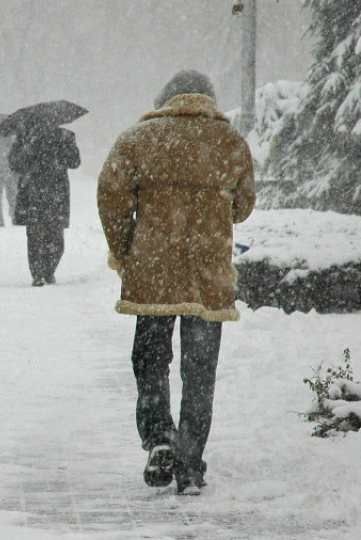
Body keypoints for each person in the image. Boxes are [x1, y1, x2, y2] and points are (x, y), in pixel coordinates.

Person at [96, 70, 256, 495]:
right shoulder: (229, 142)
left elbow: (111, 196)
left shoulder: (138, 139)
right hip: (208, 275)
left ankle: (158, 436)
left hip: (153, 274)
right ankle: (189, 463)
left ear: (166, 98)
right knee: (200, 371)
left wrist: (126, 247)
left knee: (150, 362)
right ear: (209, 98)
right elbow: (242, 207)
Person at [8, 123, 80, 286]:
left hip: (57, 194)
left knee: (56, 238)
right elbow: (14, 164)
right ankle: (38, 274)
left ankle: (48, 270)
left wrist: (67, 149)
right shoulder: (25, 137)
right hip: (33, 193)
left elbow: (75, 162)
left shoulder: (65, 136)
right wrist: (27, 149)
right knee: (35, 236)